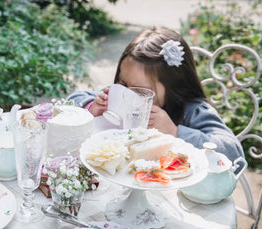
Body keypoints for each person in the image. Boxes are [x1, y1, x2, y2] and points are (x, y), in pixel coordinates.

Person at [68, 26, 244, 162]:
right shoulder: (121, 94)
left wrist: (175, 132)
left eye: (139, 91)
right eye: (122, 83)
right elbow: (70, 101)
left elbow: (234, 153)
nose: (126, 94)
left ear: (173, 86)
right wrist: (91, 106)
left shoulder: (192, 111)